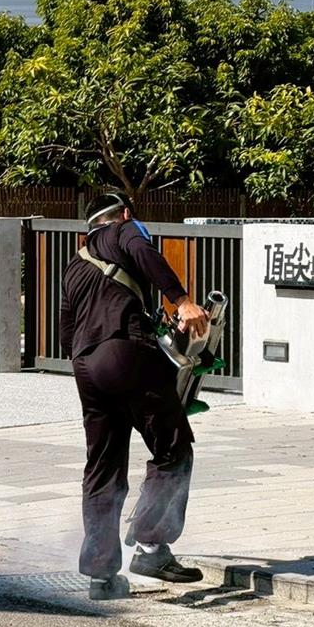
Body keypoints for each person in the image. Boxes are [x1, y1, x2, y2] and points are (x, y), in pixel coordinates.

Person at [59, 190, 210, 600]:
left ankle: (101, 575)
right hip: (125, 351)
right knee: (173, 447)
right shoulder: (122, 232)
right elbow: (145, 254)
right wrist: (181, 301)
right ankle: (151, 547)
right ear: (124, 213)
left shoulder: (74, 265)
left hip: (86, 368)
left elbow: (66, 332)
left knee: (103, 467)